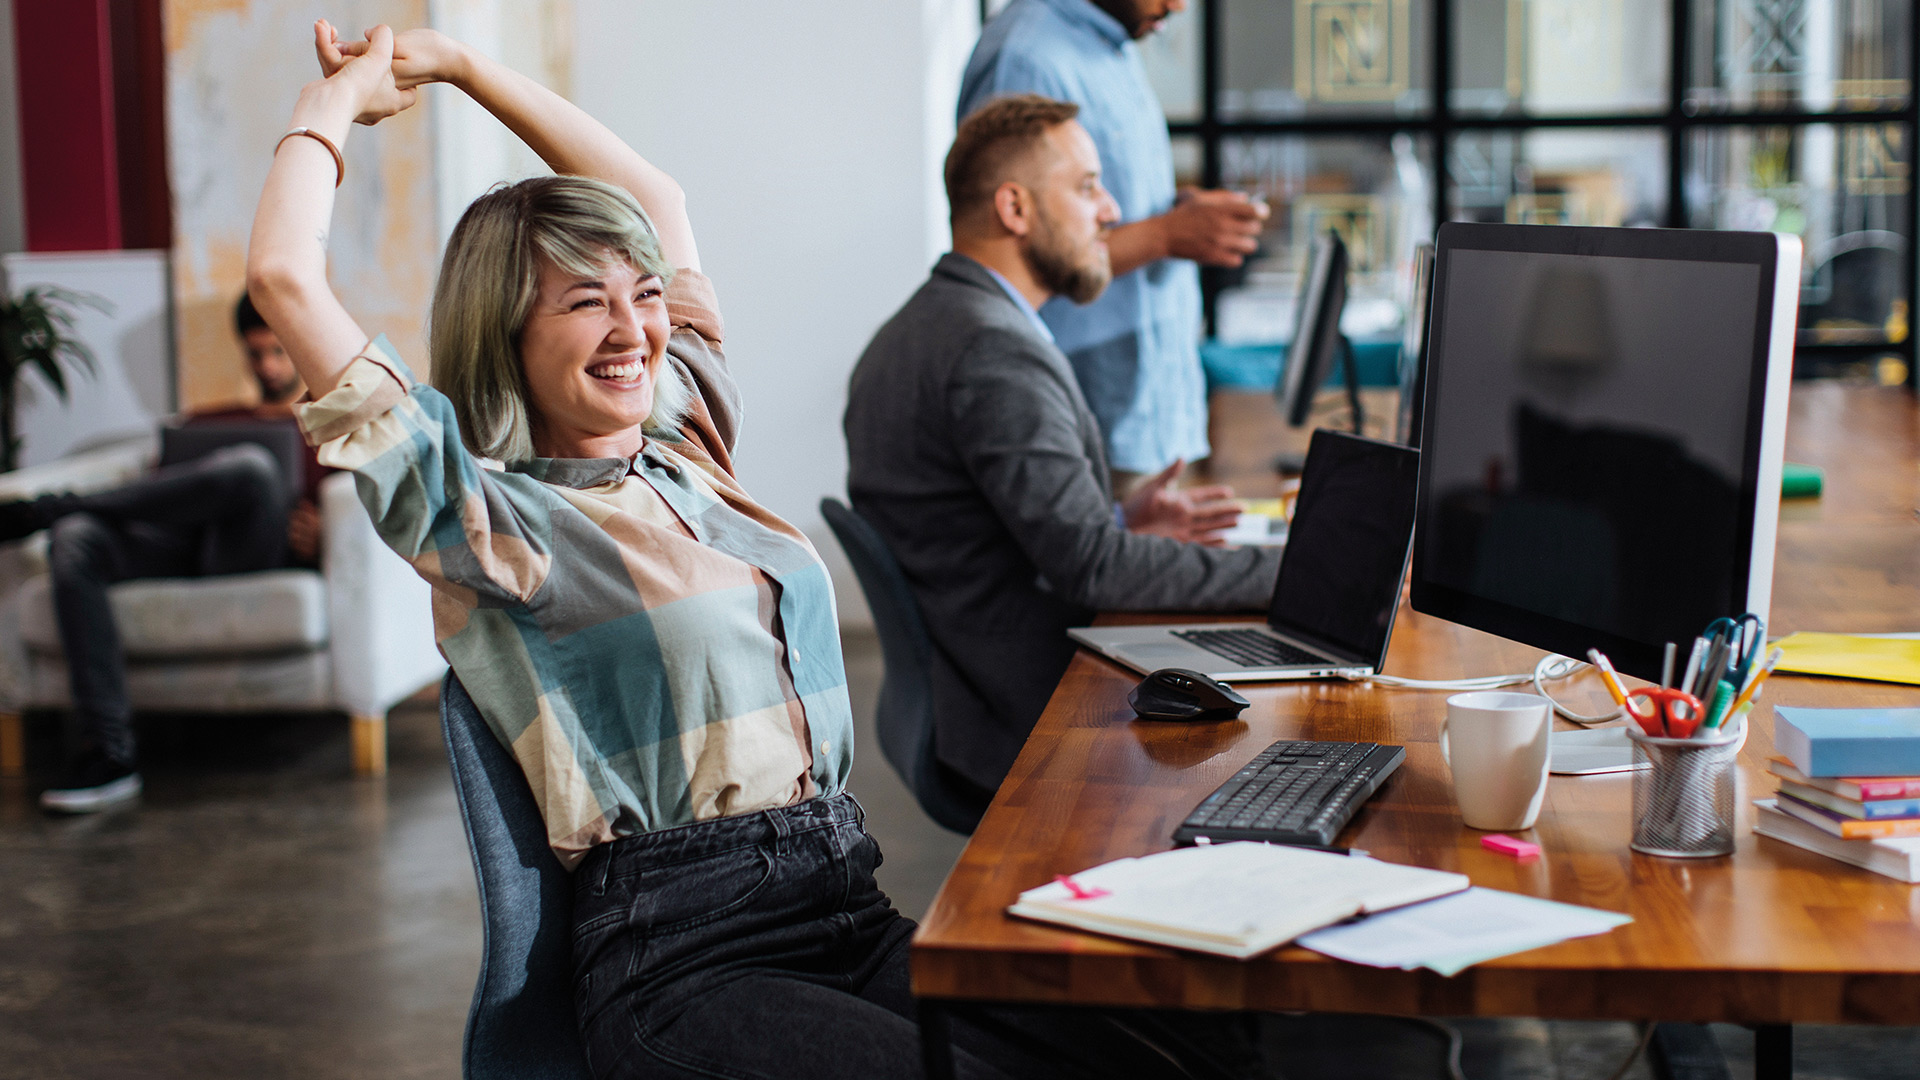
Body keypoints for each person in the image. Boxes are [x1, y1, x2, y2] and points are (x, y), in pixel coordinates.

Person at [250, 23, 1271, 1080]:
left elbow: (662, 200)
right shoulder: (492, 522)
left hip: (842, 905)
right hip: (687, 961)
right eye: (585, 300)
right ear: (504, 329)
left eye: (644, 295)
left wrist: (463, 67)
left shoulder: (684, 440)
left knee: (1170, 1052)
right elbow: (284, 275)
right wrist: (343, 99)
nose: (635, 327)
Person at [844, 95, 1283, 803]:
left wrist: (1115, 521)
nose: (1110, 211)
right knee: (1290, 746)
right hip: (1028, 711)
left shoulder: (923, 325)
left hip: (975, 684)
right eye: (1087, 188)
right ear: (1015, 209)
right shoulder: (993, 349)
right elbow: (1095, 573)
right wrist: (1303, 575)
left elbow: (1000, 536)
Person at [4, 292, 325, 814]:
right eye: (255, 353)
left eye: (277, 352)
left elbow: (368, 515)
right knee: (77, 537)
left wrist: (324, 534)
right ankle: (108, 753)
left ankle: (49, 508)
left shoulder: (323, 431)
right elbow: (158, 497)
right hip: (180, 548)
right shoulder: (204, 422)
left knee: (250, 467)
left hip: (249, 553)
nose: (266, 366)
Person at [959, 0, 1268, 489]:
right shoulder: (1025, 57)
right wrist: (1166, 234)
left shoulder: (1114, 43)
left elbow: (1092, 206)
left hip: (1153, 414)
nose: (1179, 6)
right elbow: (1007, 252)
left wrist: (1180, 212)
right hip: (1095, 422)